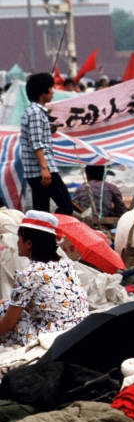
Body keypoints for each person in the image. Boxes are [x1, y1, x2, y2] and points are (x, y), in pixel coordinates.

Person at [0, 211, 88, 346]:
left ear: (28, 244)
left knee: (4, 310)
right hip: (78, 330)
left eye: (19, 238)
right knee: (8, 304)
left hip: (52, 336)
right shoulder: (66, 264)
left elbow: (9, 322)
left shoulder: (28, 274)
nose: (17, 242)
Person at [20, 73, 74, 214]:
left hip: (34, 171)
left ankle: (41, 234)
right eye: (51, 88)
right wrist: (44, 168)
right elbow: (36, 143)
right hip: (43, 170)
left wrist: (49, 129)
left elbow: (36, 135)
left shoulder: (32, 112)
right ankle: (56, 232)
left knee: (41, 211)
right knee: (66, 205)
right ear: (43, 92)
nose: (53, 91)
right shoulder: (36, 113)